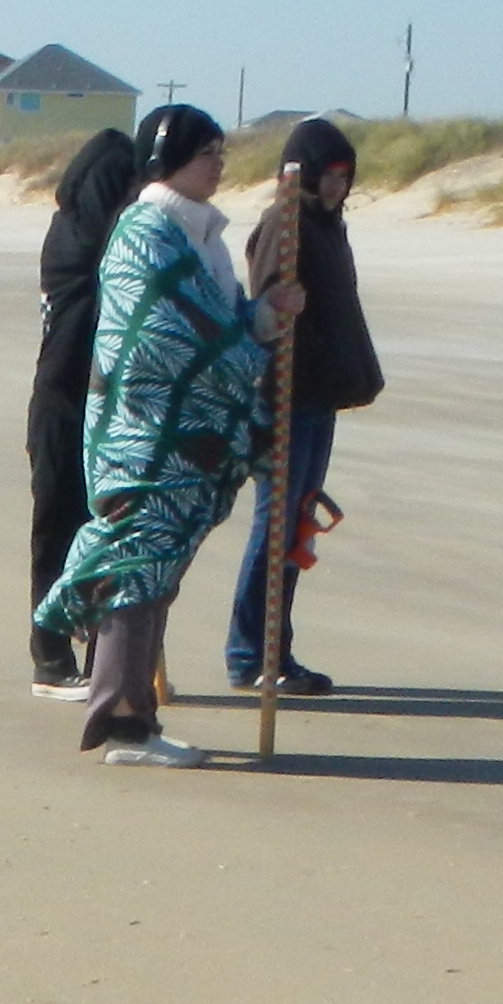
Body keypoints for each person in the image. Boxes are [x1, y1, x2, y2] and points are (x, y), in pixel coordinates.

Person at [33, 103, 289, 764]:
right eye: (207, 152)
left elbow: (218, 318)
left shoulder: (197, 235)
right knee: (134, 568)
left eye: (219, 152)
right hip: (144, 434)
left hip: (186, 437)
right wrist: (246, 352)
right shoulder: (146, 232)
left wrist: (263, 317)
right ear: (170, 159)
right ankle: (119, 721)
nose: (218, 163)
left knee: (157, 571)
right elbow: (158, 337)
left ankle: (135, 716)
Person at [223, 115, 382, 693]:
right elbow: (269, 309)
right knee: (278, 523)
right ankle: (252, 653)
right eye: (329, 176)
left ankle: (277, 648)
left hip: (319, 398)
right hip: (285, 398)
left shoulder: (329, 227)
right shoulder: (283, 225)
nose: (338, 186)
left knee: (297, 527)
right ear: (305, 176)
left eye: (346, 177)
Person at [24, 126, 148, 698]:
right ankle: (50, 655)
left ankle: (96, 651)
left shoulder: (81, 231)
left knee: (93, 528)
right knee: (61, 527)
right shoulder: (79, 240)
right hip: (67, 401)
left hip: (92, 402)